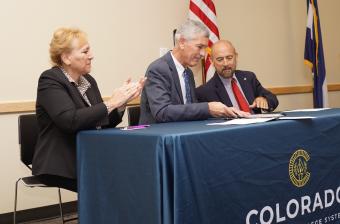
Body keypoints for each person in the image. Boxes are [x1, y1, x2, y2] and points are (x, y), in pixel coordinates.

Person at [32, 28, 145, 192]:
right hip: (62, 163)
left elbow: (102, 125)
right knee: (114, 182)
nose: (91, 55)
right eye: (85, 51)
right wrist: (111, 103)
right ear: (66, 58)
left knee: (134, 171)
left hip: (89, 157)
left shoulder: (88, 81)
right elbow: (69, 120)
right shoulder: (50, 79)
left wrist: (121, 104)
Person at [139, 20, 248, 124]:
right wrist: (207, 108)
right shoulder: (158, 69)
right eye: (199, 47)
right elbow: (162, 112)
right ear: (182, 42)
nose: (203, 54)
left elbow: (191, 111)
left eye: (205, 48)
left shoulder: (188, 73)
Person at [196, 40, 278, 113]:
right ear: (212, 61)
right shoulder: (204, 92)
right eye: (220, 59)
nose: (226, 63)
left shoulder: (249, 78)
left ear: (236, 57)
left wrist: (264, 99)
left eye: (229, 58)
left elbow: (273, 99)